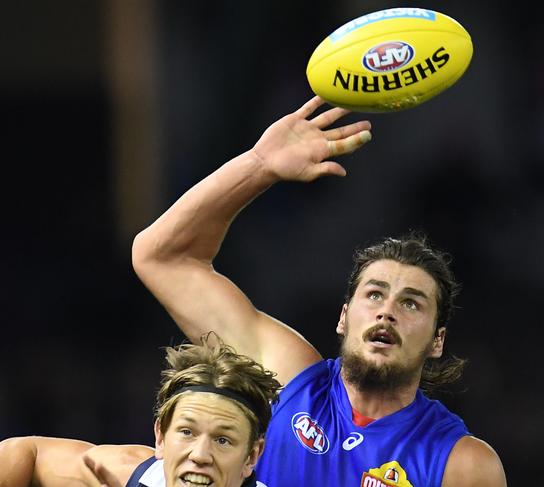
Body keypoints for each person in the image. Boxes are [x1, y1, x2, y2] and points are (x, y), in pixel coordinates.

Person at [132, 96, 507, 486]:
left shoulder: (462, 464)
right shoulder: (288, 379)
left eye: (411, 303)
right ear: (344, 316)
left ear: (437, 340)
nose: (387, 311)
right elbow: (161, 258)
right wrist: (259, 167)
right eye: (374, 294)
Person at [0, 335, 281, 487]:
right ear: (160, 437)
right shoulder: (130, 474)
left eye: (223, 440)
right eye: (186, 432)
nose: (199, 455)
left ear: (252, 456)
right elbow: (27, 454)